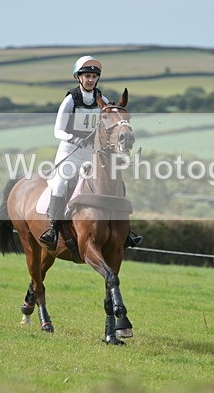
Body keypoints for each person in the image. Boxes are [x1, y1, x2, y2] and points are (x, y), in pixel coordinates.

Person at [39, 55, 143, 251]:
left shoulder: (101, 100)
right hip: (71, 150)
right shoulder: (71, 100)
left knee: (116, 183)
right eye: (87, 76)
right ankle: (53, 230)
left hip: (93, 153)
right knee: (61, 182)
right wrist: (74, 139)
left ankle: (125, 232)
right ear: (79, 78)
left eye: (94, 76)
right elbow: (57, 131)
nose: (90, 80)